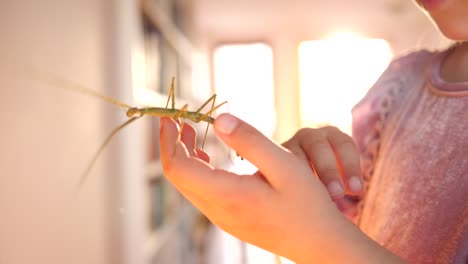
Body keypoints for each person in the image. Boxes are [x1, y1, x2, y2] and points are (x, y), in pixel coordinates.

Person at [158, 0, 468, 263]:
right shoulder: (399, 87)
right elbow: (353, 220)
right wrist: (312, 184)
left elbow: (334, 241)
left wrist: (321, 241)